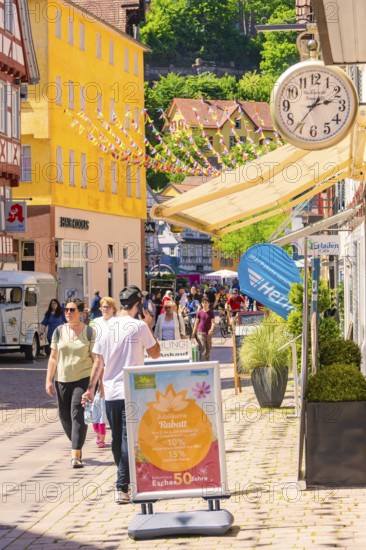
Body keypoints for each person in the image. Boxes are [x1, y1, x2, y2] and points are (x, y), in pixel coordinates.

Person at [82, 285, 160, 505]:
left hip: (111, 392)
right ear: (138, 305)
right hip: (133, 390)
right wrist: (149, 326)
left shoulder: (104, 327)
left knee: (118, 438)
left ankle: (124, 482)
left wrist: (90, 388)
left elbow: (98, 362)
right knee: (128, 439)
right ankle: (122, 486)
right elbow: (155, 354)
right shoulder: (139, 326)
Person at [45, 298, 96, 468]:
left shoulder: (89, 332)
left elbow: (95, 359)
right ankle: (77, 441)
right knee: (64, 416)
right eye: (66, 309)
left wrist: (97, 382)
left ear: (80, 313)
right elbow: (53, 358)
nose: (68, 313)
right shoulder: (59, 331)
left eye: (72, 310)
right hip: (62, 379)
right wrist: (49, 380)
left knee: (77, 412)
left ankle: (75, 453)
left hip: (82, 378)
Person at [89, 297, 118, 449]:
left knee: (107, 401)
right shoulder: (95, 323)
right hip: (97, 363)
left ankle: (107, 434)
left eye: (107, 306)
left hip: (113, 366)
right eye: (102, 306)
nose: (104, 309)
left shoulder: (118, 323)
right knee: (96, 402)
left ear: (113, 308)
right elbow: (91, 344)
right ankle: (98, 431)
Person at [191, 296, 216, 361]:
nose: (204, 304)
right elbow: (196, 323)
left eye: (206, 302)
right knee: (202, 349)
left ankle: (207, 363)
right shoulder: (199, 312)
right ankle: (202, 363)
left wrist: (211, 329)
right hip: (200, 332)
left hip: (208, 333)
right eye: (203, 303)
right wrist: (193, 333)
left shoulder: (211, 312)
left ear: (209, 304)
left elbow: (213, 322)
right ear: (201, 304)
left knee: (208, 348)